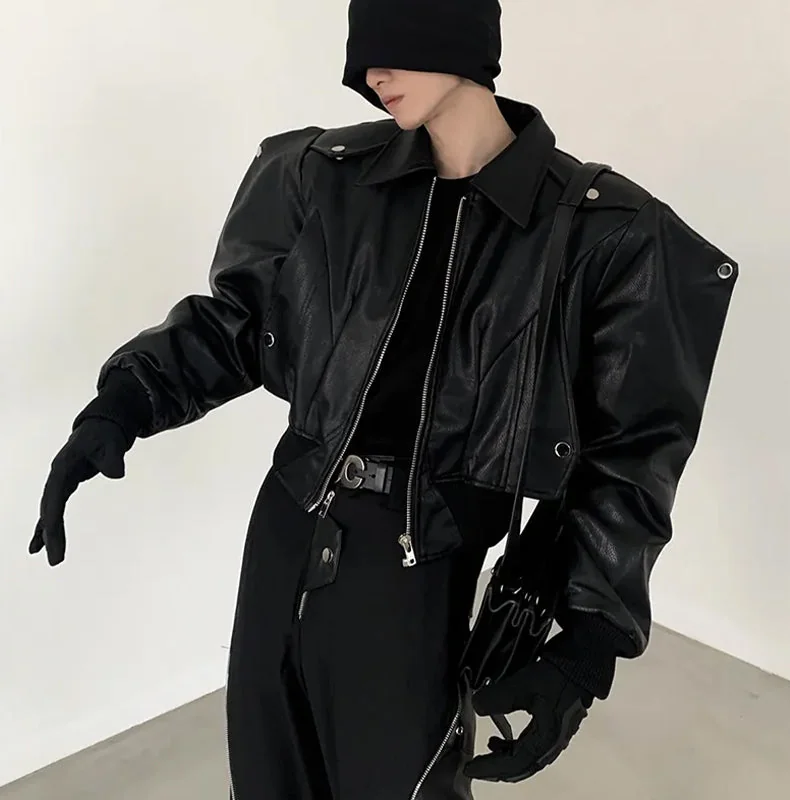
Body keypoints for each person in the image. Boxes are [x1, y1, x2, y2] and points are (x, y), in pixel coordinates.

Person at [30, 0, 738, 797]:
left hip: (417, 565)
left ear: (461, 34)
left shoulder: (599, 232)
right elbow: (239, 323)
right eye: (363, 51)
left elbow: (633, 452)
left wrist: (586, 646)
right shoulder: (324, 176)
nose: (372, 72)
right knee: (268, 777)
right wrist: (120, 407)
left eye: (396, 41)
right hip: (286, 528)